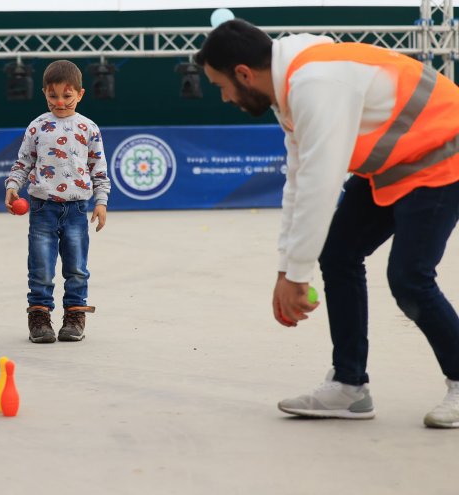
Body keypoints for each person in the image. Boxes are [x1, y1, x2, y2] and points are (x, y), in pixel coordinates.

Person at [196, 19, 459, 427]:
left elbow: (321, 184)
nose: (225, 97)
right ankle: (349, 387)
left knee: (409, 277)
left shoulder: (316, 83)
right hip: (397, 162)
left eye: (221, 86)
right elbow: (298, 181)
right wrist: (286, 268)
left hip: (444, 152)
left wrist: (297, 277)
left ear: (244, 74)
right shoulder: (290, 90)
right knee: (338, 254)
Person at [4, 60, 110, 344]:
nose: (60, 102)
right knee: (40, 267)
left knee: (76, 267)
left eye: (67, 95)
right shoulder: (37, 127)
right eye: (53, 96)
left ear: (81, 94)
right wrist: (13, 186)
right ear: (44, 93)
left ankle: (75, 315)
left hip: (77, 209)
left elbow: (99, 169)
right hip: (42, 208)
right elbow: (23, 163)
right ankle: (39, 316)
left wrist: (101, 202)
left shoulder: (89, 128)